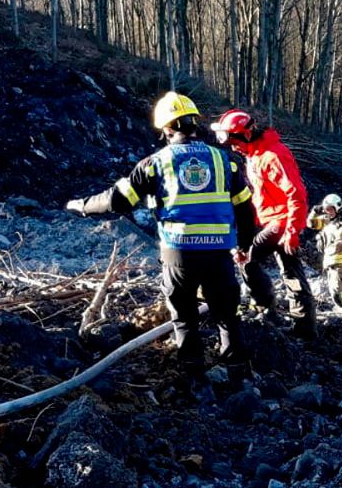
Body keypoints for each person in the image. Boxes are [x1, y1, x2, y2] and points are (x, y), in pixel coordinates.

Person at [66, 91, 257, 391]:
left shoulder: (155, 163)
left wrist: (82, 205)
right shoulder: (225, 162)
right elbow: (246, 210)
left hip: (178, 253)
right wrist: (244, 246)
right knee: (227, 316)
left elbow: (118, 201)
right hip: (219, 252)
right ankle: (239, 377)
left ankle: (196, 380)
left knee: (184, 317)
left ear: (166, 129)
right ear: (195, 123)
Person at [211, 109, 318, 340]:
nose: (232, 147)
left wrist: (291, 231)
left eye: (234, 141)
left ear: (246, 135)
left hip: (282, 221)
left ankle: (265, 306)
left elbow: (296, 193)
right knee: (291, 271)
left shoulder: (273, 156)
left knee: (246, 257)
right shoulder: (255, 155)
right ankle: (304, 327)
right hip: (276, 220)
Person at [311, 193, 342, 318]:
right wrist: (314, 212)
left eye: (330, 209)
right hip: (330, 263)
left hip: (341, 264)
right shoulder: (327, 222)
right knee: (334, 292)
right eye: (326, 209)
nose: (328, 212)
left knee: (338, 291)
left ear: (338, 208)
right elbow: (310, 224)